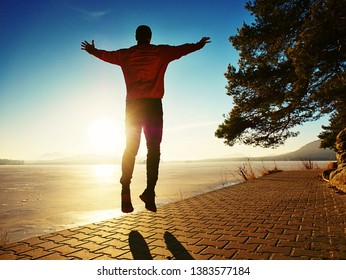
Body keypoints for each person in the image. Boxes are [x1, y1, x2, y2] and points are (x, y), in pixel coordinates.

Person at [81, 25, 210, 213]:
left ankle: (125, 189)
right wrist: (198, 45)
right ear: (150, 37)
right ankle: (150, 192)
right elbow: (181, 50)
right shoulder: (161, 52)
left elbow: (106, 55)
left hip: (132, 106)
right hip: (153, 106)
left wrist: (92, 50)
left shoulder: (125, 54)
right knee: (154, 149)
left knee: (131, 148)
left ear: (136, 37)